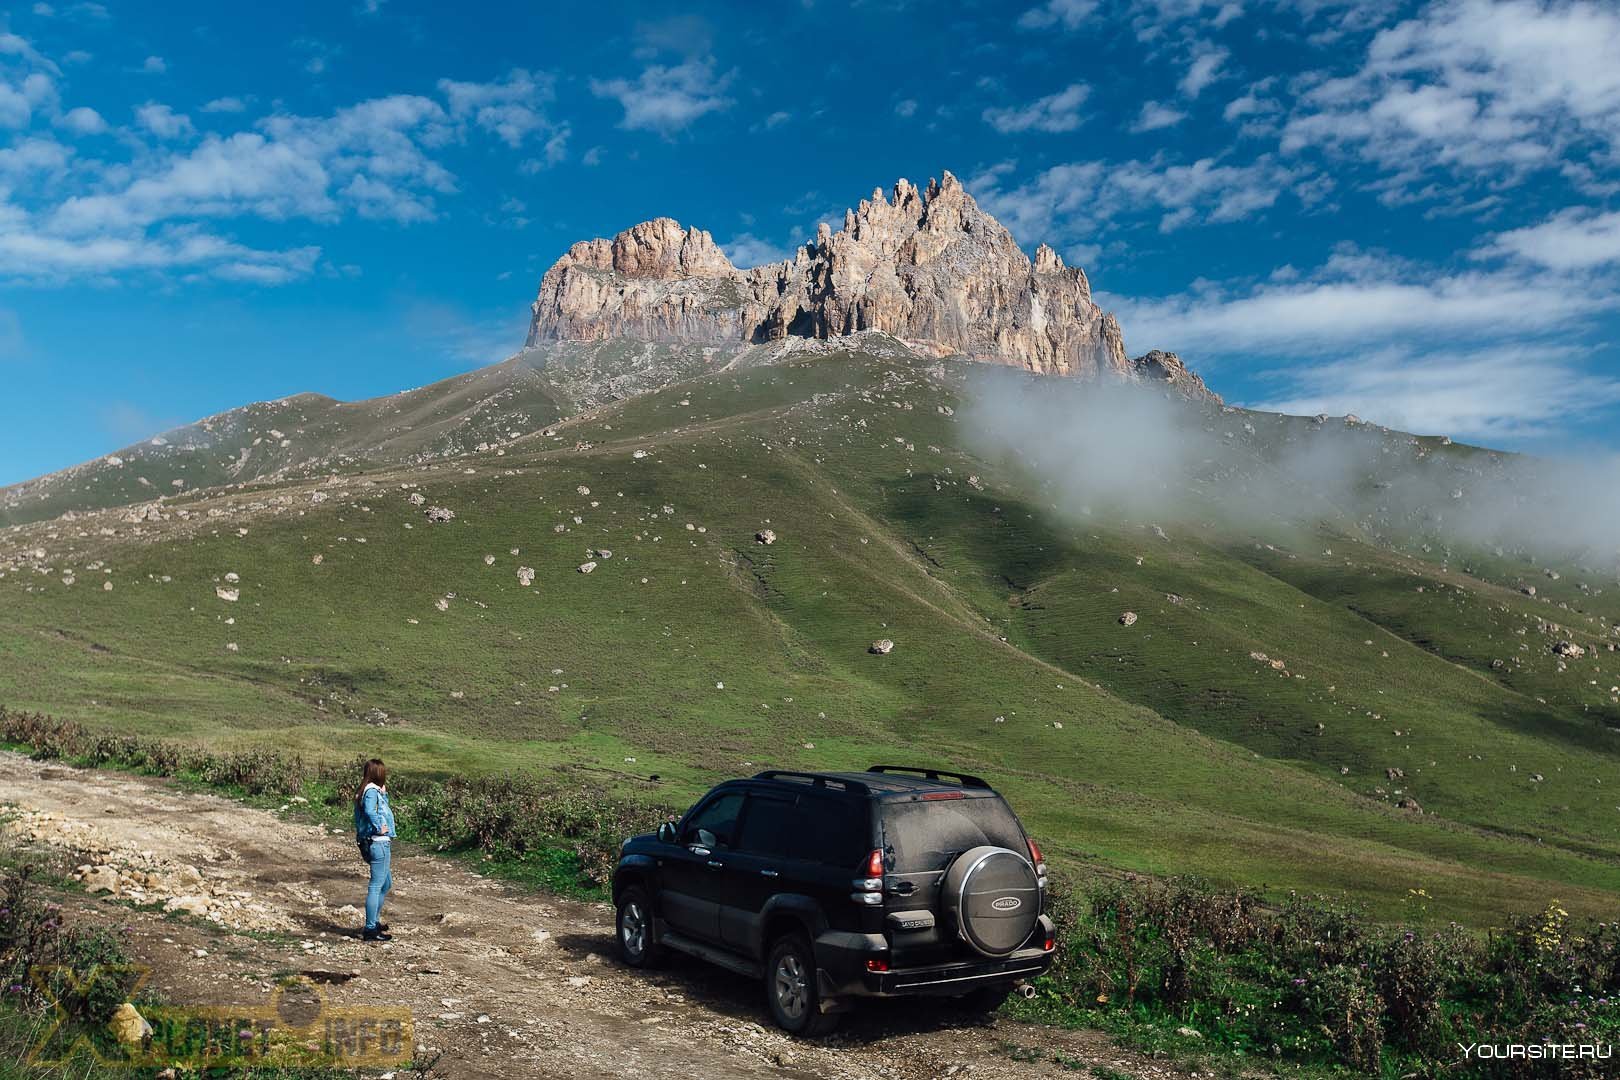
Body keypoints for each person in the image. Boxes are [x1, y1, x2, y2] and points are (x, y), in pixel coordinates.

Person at [353, 758, 396, 942]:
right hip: (379, 842)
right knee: (377, 885)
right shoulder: (371, 792)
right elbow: (371, 812)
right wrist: (380, 826)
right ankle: (370, 928)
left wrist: (384, 795)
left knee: (385, 883)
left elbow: (376, 809)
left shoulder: (367, 791)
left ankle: (374, 922)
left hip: (373, 842)